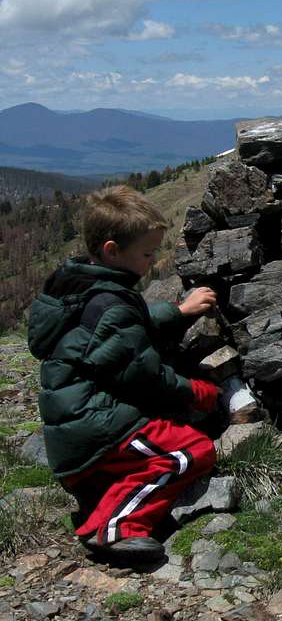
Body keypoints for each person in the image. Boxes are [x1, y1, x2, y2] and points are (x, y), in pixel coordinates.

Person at [28, 185, 220, 564]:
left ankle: (104, 492)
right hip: (96, 433)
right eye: (147, 253)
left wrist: (179, 312)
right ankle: (115, 527)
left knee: (170, 444)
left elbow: (125, 334)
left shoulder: (82, 287)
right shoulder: (110, 304)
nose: (151, 260)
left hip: (77, 433)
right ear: (112, 250)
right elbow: (145, 376)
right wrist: (199, 393)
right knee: (190, 451)